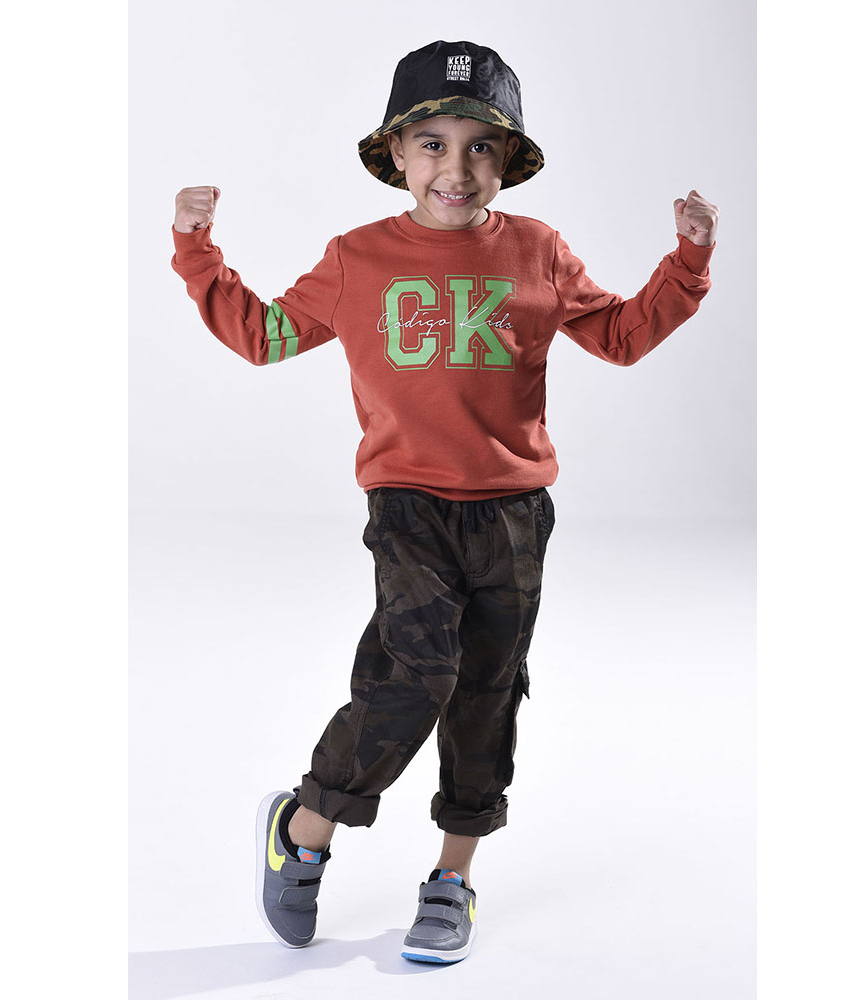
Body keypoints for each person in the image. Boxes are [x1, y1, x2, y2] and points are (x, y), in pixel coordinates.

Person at [171, 39, 718, 964]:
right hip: (408, 505)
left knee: (485, 693)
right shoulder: (358, 257)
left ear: (508, 161)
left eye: (480, 148)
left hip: (512, 515)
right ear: (395, 152)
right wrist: (198, 252)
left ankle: (452, 876)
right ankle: (304, 829)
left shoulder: (538, 250)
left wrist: (688, 260)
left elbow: (621, 336)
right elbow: (264, 335)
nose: (455, 170)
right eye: (432, 144)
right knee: (411, 678)